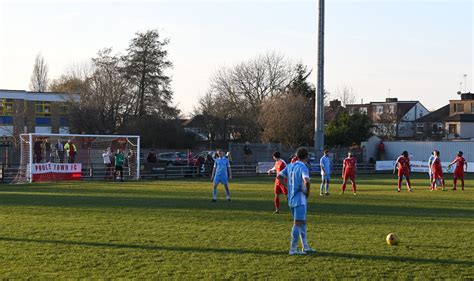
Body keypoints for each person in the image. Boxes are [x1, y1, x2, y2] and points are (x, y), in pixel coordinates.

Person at [277, 147, 315, 255]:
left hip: (292, 198)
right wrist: (307, 192)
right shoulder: (303, 167)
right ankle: (292, 249)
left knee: (302, 222)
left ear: (296, 156)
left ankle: (305, 247)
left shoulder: (290, 165)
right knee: (297, 223)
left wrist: (289, 187)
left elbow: (279, 177)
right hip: (300, 199)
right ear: (306, 156)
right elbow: (307, 181)